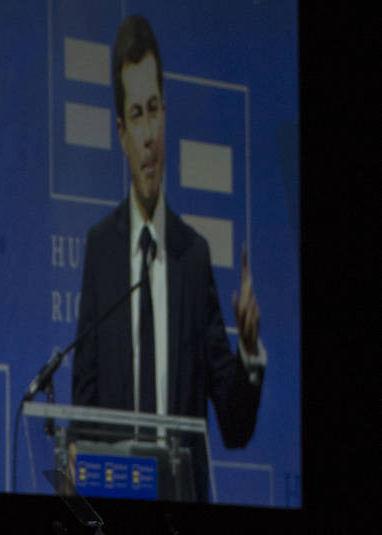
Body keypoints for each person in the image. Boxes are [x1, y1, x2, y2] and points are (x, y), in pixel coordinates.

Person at [71, 15, 266, 502]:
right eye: (136, 114)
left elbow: (235, 426)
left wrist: (248, 352)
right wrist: (76, 452)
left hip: (183, 513)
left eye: (154, 109)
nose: (149, 133)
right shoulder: (102, 248)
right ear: (121, 131)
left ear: (166, 116)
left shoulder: (191, 255)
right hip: (115, 510)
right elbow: (85, 398)